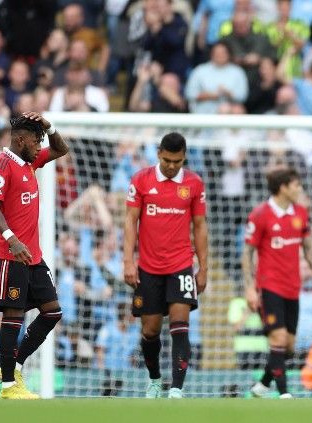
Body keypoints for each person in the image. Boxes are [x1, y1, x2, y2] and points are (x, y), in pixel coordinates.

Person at [0, 112, 70, 399]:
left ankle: (13, 365)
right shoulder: (2, 164)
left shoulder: (30, 161)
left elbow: (61, 149)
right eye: (36, 140)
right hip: (11, 254)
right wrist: (12, 240)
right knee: (13, 317)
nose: (40, 145)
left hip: (33, 256)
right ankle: (9, 387)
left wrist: (49, 126)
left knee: (53, 311)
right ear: (21, 140)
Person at [123, 132, 208, 399]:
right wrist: (128, 261)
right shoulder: (141, 180)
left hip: (181, 265)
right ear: (159, 152)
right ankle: (155, 379)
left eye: (178, 161)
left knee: (181, 325)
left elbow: (200, 226)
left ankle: (177, 389)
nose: (172, 166)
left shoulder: (194, 183)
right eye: (169, 160)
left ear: (184, 158)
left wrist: (203, 267)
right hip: (148, 268)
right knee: (149, 331)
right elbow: (130, 221)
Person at [242, 167, 312, 399]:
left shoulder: (300, 213)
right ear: (283, 188)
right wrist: (249, 288)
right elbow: (247, 254)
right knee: (277, 339)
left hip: (292, 288)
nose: (300, 189)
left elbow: (308, 249)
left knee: (287, 347)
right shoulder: (260, 215)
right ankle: (284, 394)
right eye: (296, 185)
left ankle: (261, 386)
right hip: (269, 287)